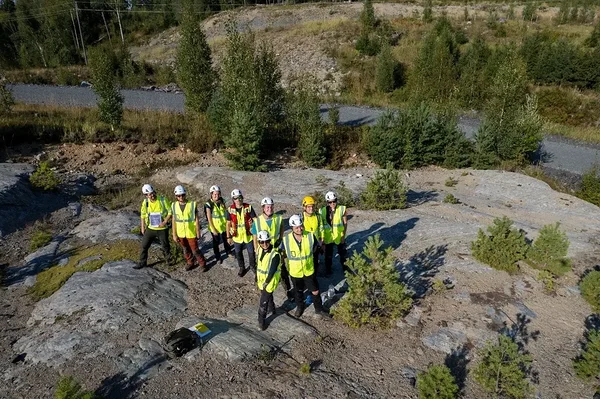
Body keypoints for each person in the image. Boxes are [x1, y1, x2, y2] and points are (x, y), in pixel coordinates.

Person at [281, 214, 330, 319]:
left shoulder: (310, 236)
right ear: (292, 228)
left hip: (308, 270)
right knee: (298, 291)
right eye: (297, 227)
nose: (300, 229)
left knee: (315, 290)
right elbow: (281, 253)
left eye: (301, 226)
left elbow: (316, 247)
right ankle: (300, 307)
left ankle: (319, 309)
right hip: (295, 271)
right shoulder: (286, 240)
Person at [251, 197, 293, 300]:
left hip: (276, 249)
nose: (269, 209)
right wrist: (256, 249)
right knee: (262, 270)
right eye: (267, 207)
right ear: (263, 208)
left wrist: (281, 237)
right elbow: (254, 236)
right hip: (263, 250)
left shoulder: (278, 218)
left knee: (282, 270)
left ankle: (288, 290)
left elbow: (282, 226)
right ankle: (263, 289)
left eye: (271, 207)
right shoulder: (258, 221)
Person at [136, 184, 172, 269]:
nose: (152, 195)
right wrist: (142, 227)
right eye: (150, 194)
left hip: (162, 228)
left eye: (153, 193)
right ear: (146, 195)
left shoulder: (163, 200)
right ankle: (142, 262)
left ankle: (169, 260)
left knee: (165, 245)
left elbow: (170, 211)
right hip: (150, 229)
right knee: (144, 245)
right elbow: (143, 215)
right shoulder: (146, 203)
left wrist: (165, 221)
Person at [171, 185, 207, 272]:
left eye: (182, 195)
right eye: (179, 196)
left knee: (195, 250)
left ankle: (202, 264)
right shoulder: (174, 205)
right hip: (180, 233)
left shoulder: (192, 204)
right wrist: (174, 234)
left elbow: (196, 220)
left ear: (185, 194)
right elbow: (174, 220)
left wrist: (198, 232)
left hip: (191, 232)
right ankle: (190, 262)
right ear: (176, 196)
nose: (181, 197)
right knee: (185, 249)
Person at [226, 189, 257, 277]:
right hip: (237, 237)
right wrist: (228, 237)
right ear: (233, 199)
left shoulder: (248, 207)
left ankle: (253, 267)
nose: (238, 200)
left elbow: (255, 219)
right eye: (235, 198)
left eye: (239, 198)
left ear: (242, 198)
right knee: (238, 253)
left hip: (248, 235)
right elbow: (228, 224)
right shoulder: (230, 209)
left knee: (251, 253)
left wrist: (255, 227)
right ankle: (242, 268)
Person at [256, 230, 282, 331]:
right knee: (268, 297)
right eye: (262, 242)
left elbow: (272, 270)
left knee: (263, 302)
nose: (265, 244)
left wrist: (266, 282)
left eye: (267, 241)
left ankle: (261, 321)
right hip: (261, 281)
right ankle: (273, 309)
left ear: (270, 241)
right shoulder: (260, 250)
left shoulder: (274, 255)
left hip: (269, 282)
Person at [320, 191, 349, 276]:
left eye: (334, 201)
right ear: (327, 202)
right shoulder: (322, 211)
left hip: (339, 236)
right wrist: (322, 238)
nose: (333, 203)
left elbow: (345, 223)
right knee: (328, 256)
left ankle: (345, 269)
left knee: (343, 254)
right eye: (330, 202)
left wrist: (343, 235)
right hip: (328, 237)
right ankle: (328, 270)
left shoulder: (341, 209)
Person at [204, 185, 232, 264]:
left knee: (226, 239)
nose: (217, 196)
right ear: (211, 194)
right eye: (215, 194)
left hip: (223, 226)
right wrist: (213, 229)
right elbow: (209, 218)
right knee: (216, 243)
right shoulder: (209, 204)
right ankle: (217, 256)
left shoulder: (222, 201)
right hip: (215, 227)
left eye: (218, 194)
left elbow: (226, 211)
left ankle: (228, 251)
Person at [302, 196, 324, 275]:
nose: (311, 208)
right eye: (309, 207)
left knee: (315, 260)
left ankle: (314, 274)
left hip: (316, 244)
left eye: (312, 206)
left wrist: (322, 240)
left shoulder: (318, 216)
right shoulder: (301, 218)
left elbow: (321, 228)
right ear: (304, 207)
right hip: (305, 245)